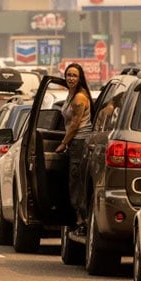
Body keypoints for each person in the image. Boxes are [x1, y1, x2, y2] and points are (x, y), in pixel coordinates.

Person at [55, 63, 93, 236]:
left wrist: (64, 143)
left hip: (79, 142)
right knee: (73, 181)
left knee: (76, 182)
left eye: (74, 76)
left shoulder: (79, 98)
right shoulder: (70, 95)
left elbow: (75, 124)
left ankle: (81, 220)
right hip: (74, 143)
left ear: (80, 78)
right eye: (68, 75)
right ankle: (77, 219)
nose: (71, 78)